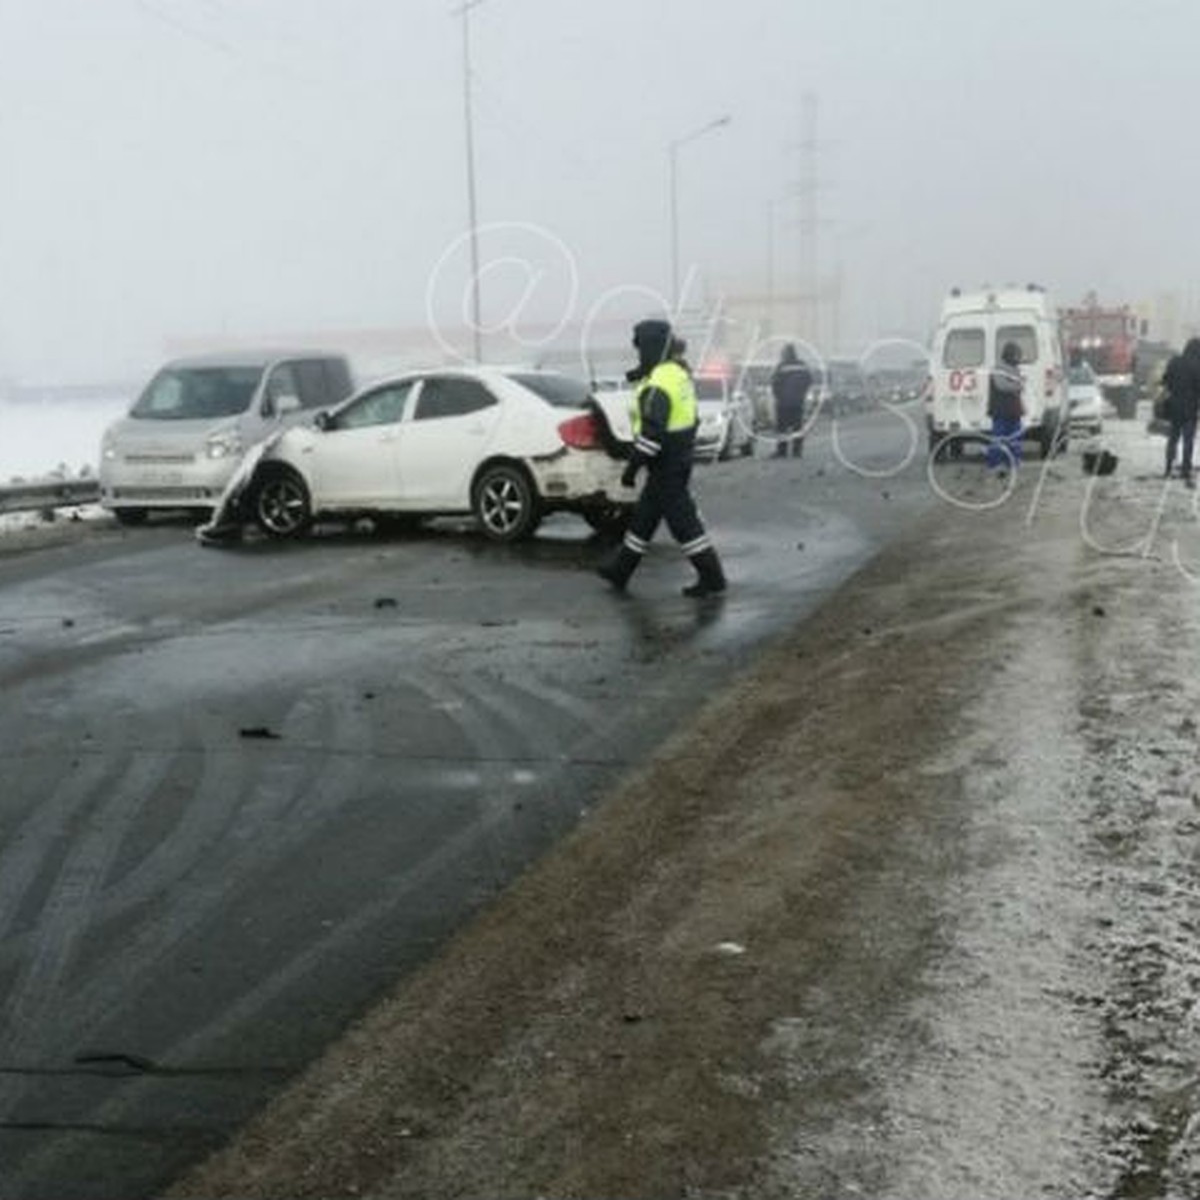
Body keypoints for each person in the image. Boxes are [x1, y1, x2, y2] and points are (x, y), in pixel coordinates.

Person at [597, 318, 727, 597]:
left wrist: (631, 470)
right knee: (644, 519)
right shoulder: (676, 373)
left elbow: (652, 436)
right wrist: (637, 374)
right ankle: (621, 570)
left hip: (665, 463)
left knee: (684, 524)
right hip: (677, 458)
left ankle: (712, 576)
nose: (639, 355)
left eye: (640, 349)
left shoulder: (658, 384)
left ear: (650, 348)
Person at [1162, 339, 1200, 487]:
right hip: (1190, 408)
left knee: (1173, 438)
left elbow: (1165, 380)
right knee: (1188, 440)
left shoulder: (1175, 361)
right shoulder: (1197, 365)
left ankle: (1168, 467)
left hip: (1174, 407)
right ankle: (1185, 468)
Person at [987, 341, 1025, 473]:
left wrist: (1019, 385)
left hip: (1014, 410)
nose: (1018, 358)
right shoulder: (998, 368)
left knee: (1015, 438)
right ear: (1009, 354)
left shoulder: (1015, 369)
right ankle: (995, 463)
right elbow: (1001, 386)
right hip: (1000, 410)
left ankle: (1014, 461)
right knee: (999, 438)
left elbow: (1020, 384)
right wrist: (1018, 385)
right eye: (1016, 355)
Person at [771, 343, 812, 458]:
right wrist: (802, 394)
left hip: (783, 403)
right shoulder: (802, 365)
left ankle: (782, 451)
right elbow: (809, 380)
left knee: (782, 428)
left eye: (782, 353)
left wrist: (778, 396)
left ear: (786, 353)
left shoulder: (782, 366)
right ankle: (797, 451)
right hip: (798, 402)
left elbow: (774, 383)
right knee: (797, 427)